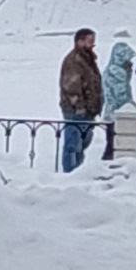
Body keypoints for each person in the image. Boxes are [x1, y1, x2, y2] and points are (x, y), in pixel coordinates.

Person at [58, 29, 103, 172]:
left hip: (88, 111)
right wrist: (79, 107)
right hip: (76, 112)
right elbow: (71, 86)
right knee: (73, 145)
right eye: (89, 40)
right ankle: (70, 173)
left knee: (82, 144)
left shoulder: (88, 60)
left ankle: (77, 172)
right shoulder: (74, 61)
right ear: (80, 41)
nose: (92, 44)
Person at [100, 41, 136, 161]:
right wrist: (129, 105)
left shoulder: (115, 70)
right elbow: (120, 93)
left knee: (113, 142)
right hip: (118, 113)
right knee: (115, 144)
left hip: (113, 112)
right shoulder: (117, 72)